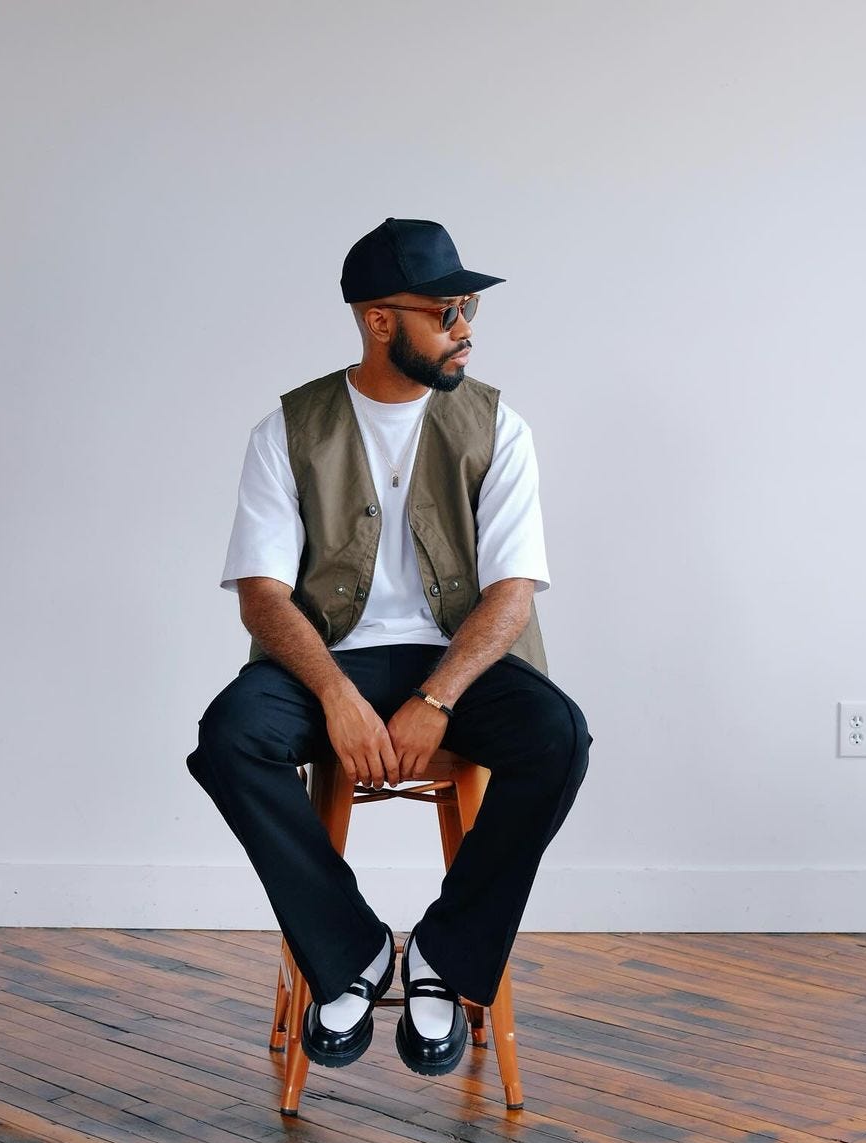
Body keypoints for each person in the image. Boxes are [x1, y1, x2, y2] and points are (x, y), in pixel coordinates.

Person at [187, 217, 592, 1079]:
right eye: (446, 311)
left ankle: (444, 959)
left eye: (469, 307)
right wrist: (337, 696)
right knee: (230, 737)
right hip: (330, 659)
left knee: (558, 738)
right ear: (380, 321)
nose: (466, 328)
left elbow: (511, 595)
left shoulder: (497, 426)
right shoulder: (288, 430)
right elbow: (262, 596)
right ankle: (353, 951)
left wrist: (434, 701)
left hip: (461, 666)